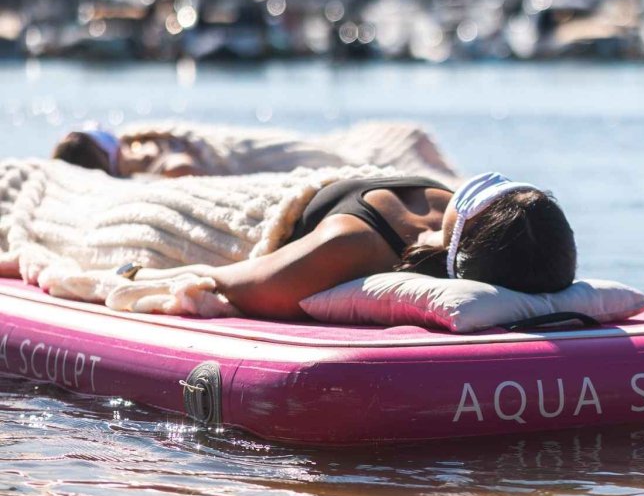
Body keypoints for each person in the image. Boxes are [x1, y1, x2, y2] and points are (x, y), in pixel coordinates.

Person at [1, 164, 576, 321]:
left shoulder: (354, 245)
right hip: (247, 193)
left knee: (55, 206)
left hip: (191, 223)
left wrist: (132, 276)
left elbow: (235, 282)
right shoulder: (448, 201)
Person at [51, 119, 458, 183]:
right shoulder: (152, 153)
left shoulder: (146, 146)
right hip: (306, 155)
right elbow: (181, 168)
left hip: (315, 153)